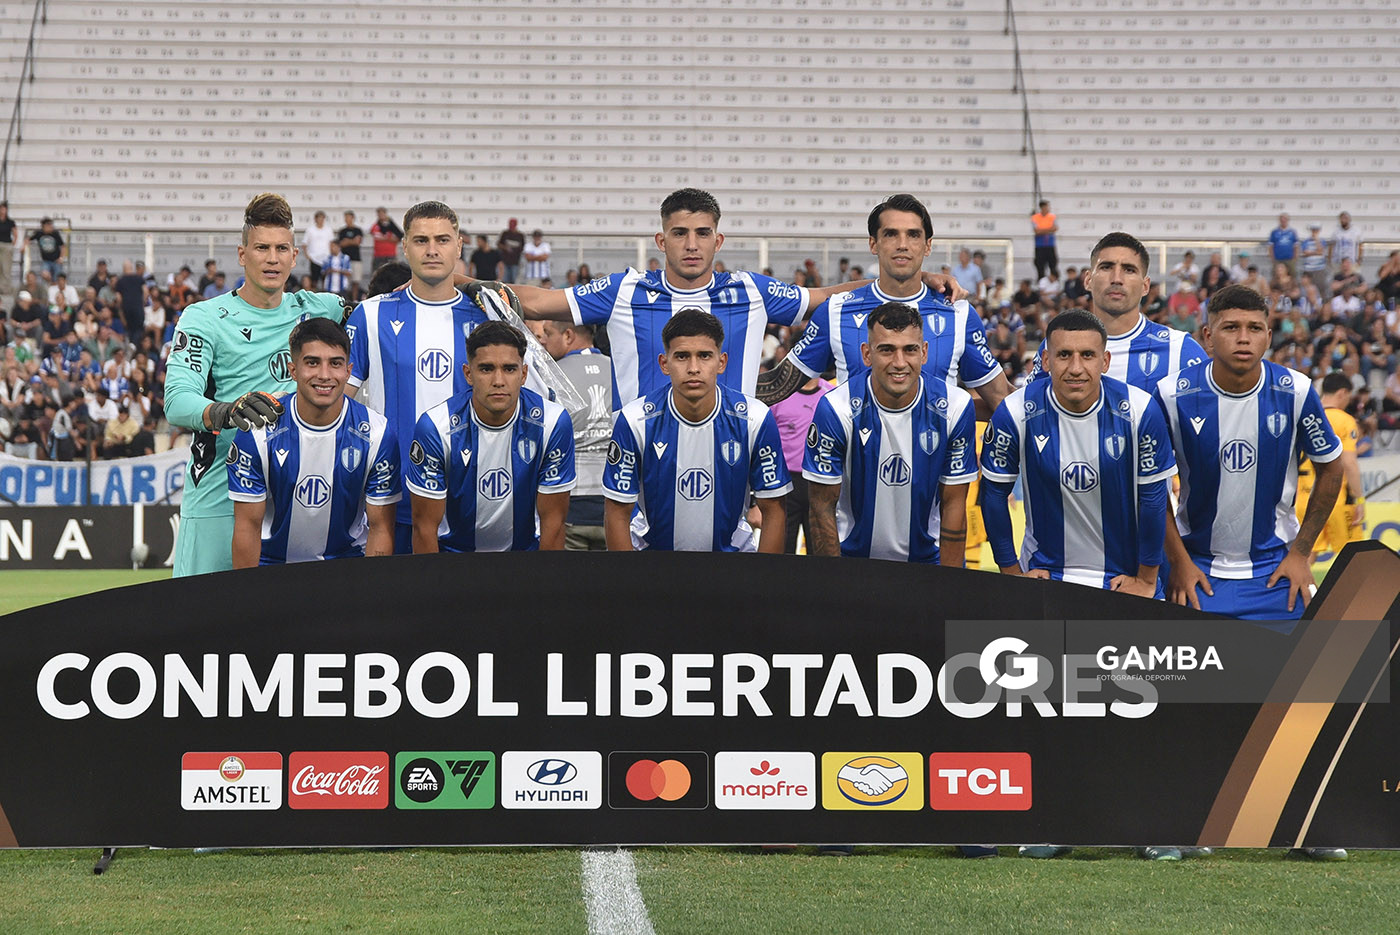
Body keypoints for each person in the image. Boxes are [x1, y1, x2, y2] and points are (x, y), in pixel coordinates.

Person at [495, 189, 964, 410]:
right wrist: (462, 281)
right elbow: (533, 301)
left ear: (718, 241)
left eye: (703, 233)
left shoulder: (750, 291)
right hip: (642, 465)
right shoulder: (625, 290)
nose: (691, 244)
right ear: (661, 241)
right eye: (680, 233)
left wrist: (913, 278)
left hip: (731, 464)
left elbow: (823, 297)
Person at [345, 201, 553, 553]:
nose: (432, 250)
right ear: (404, 247)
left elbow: (534, 406)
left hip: (480, 504)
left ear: (458, 246)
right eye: (421, 240)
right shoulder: (370, 315)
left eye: (442, 240)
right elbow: (337, 405)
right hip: (394, 503)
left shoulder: (491, 316)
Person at [164, 192, 350, 577]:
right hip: (221, 496)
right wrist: (228, 412)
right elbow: (177, 401)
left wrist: (465, 284)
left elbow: (396, 300)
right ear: (242, 254)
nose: (272, 258)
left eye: (281, 249)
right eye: (262, 248)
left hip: (298, 502)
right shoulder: (205, 318)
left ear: (295, 257)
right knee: (202, 615)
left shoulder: (323, 309)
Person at [1155, 284, 1343, 621]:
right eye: (1231, 327)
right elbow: (1149, 484)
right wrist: (1178, 561)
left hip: (1277, 572)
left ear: (1268, 337)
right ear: (1208, 336)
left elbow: (1331, 467)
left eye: (1254, 328)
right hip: (1196, 570)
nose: (1244, 338)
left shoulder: (1296, 391)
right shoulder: (1172, 395)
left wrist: (1301, 553)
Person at [982, 309, 1175, 593]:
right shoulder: (1015, 411)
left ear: (1105, 361)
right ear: (1045, 360)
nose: (1075, 368)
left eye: (1087, 355)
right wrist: (1011, 572)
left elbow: (1154, 499)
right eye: (1064, 355)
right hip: (1045, 577)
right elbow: (994, 495)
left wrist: (1146, 578)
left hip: (1123, 580)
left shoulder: (1141, 410)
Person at [759, 194, 1006, 414]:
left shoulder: (959, 314)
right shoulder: (835, 311)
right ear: (873, 244)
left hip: (933, 452)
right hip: (857, 453)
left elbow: (1001, 401)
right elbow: (777, 386)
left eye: (913, 235)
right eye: (891, 234)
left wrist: (948, 411)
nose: (902, 244)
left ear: (928, 245)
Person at [602, 309, 790, 552]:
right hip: (652, 565)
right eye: (682, 356)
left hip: (732, 566)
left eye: (704, 356)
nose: (693, 367)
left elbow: (773, 509)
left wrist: (762, 576)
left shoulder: (755, 418)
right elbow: (616, 511)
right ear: (664, 364)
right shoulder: (634, 420)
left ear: (721, 362)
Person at [804, 300, 977, 563]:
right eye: (886, 350)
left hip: (927, 564)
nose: (899, 362)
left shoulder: (955, 406)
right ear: (866, 354)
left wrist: (948, 582)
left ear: (924, 353)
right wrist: (836, 581)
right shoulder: (836, 408)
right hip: (854, 564)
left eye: (910, 350)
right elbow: (821, 506)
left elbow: (954, 504)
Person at [228, 318, 398, 566]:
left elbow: (381, 527)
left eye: (335, 363)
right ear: (293, 370)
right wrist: (249, 590)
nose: (324, 375)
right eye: (312, 363)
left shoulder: (377, 433)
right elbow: (247, 527)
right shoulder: (257, 431)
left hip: (347, 568)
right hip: (272, 568)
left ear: (348, 371)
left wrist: (369, 587)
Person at [407, 321, 574, 553]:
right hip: (453, 560)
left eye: (509, 369)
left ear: (524, 374)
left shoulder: (553, 422)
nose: (498, 381)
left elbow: (553, 524)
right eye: (486, 369)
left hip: (526, 559)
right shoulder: (435, 427)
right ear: (468, 374)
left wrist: (542, 577)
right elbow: (424, 527)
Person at [1028, 232, 1205, 390]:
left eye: (1129, 270)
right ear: (1088, 280)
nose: (1117, 279)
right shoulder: (1057, 344)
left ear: (1145, 286)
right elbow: (1027, 407)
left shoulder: (1181, 349)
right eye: (1106, 267)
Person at [538, 319, 613, 550]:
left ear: (568, 336)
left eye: (548, 333)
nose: (543, 341)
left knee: (567, 574)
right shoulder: (619, 369)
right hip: (616, 502)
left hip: (569, 503)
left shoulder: (550, 375)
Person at [1294, 372, 1365, 563]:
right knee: (1354, 559)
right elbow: (1349, 463)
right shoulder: (1344, 420)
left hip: (1303, 499)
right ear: (1342, 393)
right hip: (1336, 499)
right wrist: (1359, 498)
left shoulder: (1305, 417)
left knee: (1303, 558)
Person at [769, 371, 832, 553]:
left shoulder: (831, 395)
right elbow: (766, 441)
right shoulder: (779, 395)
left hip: (820, 480)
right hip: (786, 481)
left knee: (818, 549)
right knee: (784, 546)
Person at [27, 218, 66, 282]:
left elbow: (63, 246)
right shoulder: (39, 233)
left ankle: (54, 284)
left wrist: (61, 258)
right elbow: (28, 239)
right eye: (49, 225)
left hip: (56, 261)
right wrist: (24, 246)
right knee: (45, 274)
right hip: (46, 261)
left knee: (57, 278)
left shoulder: (55, 233)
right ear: (44, 226)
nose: (51, 227)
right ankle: (51, 283)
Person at [302, 211, 335, 287]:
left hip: (326, 258)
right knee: (314, 280)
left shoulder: (328, 230)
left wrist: (331, 256)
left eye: (322, 218)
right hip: (314, 258)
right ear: (315, 219)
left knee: (325, 279)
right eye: (319, 218)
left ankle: (324, 293)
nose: (320, 220)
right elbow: (304, 243)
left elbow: (332, 243)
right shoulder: (310, 229)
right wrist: (307, 256)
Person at [1030, 199, 1059, 281]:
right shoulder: (1035, 217)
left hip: (1050, 244)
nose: (1047, 208)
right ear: (1042, 207)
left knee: (1053, 264)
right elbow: (1036, 231)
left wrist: (1042, 230)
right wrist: (1049, 230)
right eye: (1046, 207)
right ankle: (1041, 282)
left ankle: (1054, 281)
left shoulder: (1052, 217)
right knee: (1040, 265)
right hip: (1040, 245)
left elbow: (1055, 228)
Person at [369, 206, 403, 274]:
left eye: (382, 214)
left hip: (391, 254)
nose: (381, 216)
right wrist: (389, 238)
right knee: (377, 274)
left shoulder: (392, 225)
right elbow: (376, 236)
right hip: (378, 255)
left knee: (392, 274)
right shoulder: (376, 226)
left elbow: (399, 237)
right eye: (379, 214)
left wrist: (385, 238)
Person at [1269, 213, 1300, 277]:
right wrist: (1272, 258)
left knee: (1292, 275)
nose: (1283, 221)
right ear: (1279, 220)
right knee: (1276, 276)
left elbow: (1296, 246)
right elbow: (1271, 246)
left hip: (1290, 259)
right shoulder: (1274, 232)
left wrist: (1295, 258)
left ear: (1288, 220)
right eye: (1282, 219)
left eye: (1285, 219)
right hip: (1278, 259)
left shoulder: (1292, 232)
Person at [338, 210, 364, 285]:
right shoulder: (342, 231)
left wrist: (347, 241)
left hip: (355, 258)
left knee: (356, 281)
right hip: (345, 259)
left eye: (348, 217)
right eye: (345, 217)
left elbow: (358, 242)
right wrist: (352, 241)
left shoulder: (358, 230)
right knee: (345, 282)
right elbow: (341, 244)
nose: (347, 219)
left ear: (352, 218)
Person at [498, 219, 526, 284]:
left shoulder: (520, 235)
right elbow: (499, 244)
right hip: (505, 261)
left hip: (515, 261)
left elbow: (523, 247)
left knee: (514, 280)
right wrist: (505, 247)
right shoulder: (505, 234)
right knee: (505, 281)